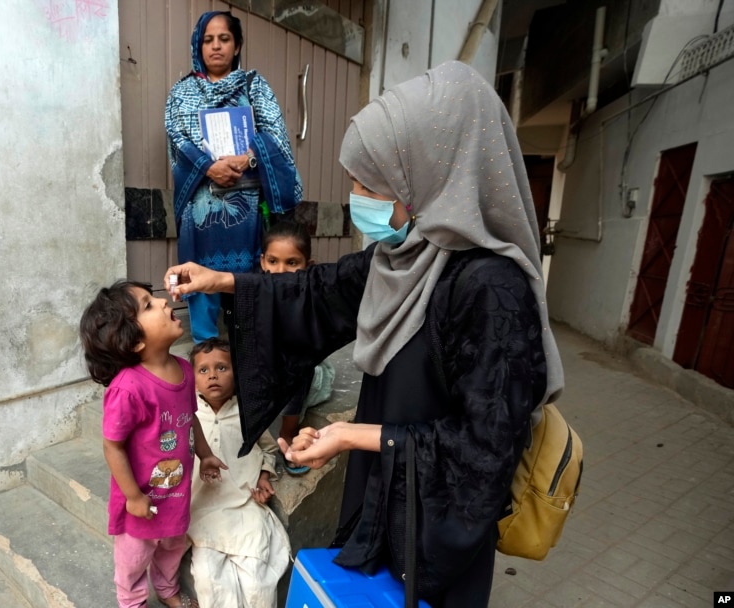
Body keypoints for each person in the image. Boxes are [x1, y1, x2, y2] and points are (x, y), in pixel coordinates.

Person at [163, 61, 564, 607]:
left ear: (428, 174)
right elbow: (319, 290)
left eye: (371, 182)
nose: (357, 196)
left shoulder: (493, 289)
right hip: (385, 486)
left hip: (437, 521)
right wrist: (223, 279)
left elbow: (484, 448)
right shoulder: (401, 256)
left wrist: (352, 436)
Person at [79, 280, 228, 608]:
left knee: (172, 547)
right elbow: (112, 446)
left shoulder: (186, 371)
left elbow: (190, 420)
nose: (162, 303)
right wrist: (133, 497)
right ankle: (132, 601)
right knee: (133, 560)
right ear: (132, 341)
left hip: (176, 493)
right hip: (140, 502)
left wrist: (205, 455)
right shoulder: (127, 390)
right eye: (148, 305)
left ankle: (167, 588)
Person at [164, 10, 302, 343]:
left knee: (250, 281)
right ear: (198, 45)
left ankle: (249, 349)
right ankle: (207, 350)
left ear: (237, 45)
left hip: (248, 207)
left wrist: (248, 157)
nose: (216, 47)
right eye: (208, 40)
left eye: (224, 39)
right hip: (202, 210)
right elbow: (177, 138)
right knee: (199, 277)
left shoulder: (255, 86)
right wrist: (209, 167)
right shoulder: (182, 93)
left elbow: (276, 136)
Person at [186, 338, 290, 608]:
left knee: (257, 581)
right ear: (193, 378)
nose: (212, 376)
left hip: (244, 506)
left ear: (237, 373)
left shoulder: (248, 415)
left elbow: (268, 449)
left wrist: (264, 476)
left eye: (222, 368)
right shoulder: (188, 414)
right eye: (203, 370)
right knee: (209, 580)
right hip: (203, 509)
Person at [258, 221, 336, 475]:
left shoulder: (311, 301)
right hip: (269, 374)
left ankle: (289, 430)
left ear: (308, 266)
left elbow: (309, 350)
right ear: (262, 262)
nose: (280, 271)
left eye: (292, 263)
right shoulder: (257, 293)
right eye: (273, 261)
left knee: (296, 364)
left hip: (305, 378)